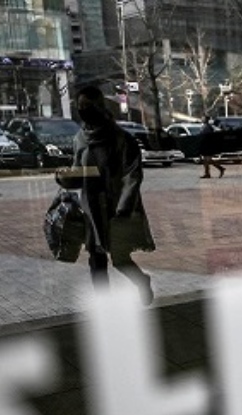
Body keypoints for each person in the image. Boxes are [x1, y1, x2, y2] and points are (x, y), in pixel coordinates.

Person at [60, 85, 156, 305]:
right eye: (80, 106)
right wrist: (65, 178)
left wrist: (124, 208)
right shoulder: (80, 139)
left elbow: (132, 176)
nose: (84, 110)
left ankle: (142, 281)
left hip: (116, 208)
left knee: (120, 258)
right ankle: (104, 303)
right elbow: (79, 172)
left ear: (100, 106)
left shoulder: (121, 139)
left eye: (88, 105)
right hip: (91, 207)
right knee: (96, 258)